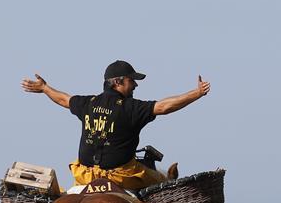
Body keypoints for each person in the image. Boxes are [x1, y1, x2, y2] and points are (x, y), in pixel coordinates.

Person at [21, 60, 210, 190]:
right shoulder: (130, 108)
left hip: (84, 176)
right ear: (118, 82)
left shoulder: (89, 103)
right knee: (163, 181)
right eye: (131, 80)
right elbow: (164, 106)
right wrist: (196, 93)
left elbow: (63, 99)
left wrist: (45, 88)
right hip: (120, 176)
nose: (135, 85)